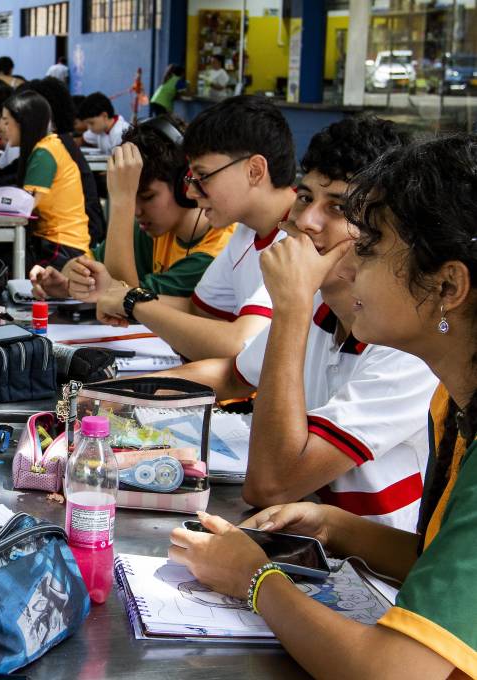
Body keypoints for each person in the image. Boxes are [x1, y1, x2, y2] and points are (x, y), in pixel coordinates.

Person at [169, 134, 477, 679]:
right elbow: (444, 567)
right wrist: (336, 526)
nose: (353, 262)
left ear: (447, 285)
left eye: (372, 246)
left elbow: (393, 673)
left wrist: (256, 579)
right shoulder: (451, 401)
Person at [158, 116, 434, 529]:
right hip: (303, 541)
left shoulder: (406, 349)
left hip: (370, 578)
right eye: (305, 198)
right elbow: (232, 374)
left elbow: (270, 486)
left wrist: (291, 303)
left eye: (338, 208)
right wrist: (109, 400)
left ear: (384, 230)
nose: (306, 221)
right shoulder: (324, 307)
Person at [95, 95, 297, 361]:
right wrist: (125, 298)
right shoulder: (247, 233)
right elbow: (198, 309)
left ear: (255, 171)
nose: (191, 192)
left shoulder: (299, 240)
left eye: (203, 177)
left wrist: (132, 301)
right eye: (191, 178)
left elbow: (239, 344)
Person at [32, 114, 232, 302]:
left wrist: (122, 201)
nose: (136, 211)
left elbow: (123, 300)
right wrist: (69, 283)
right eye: (131, 199)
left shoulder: (213, 256)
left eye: (147, 197)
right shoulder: (154, 228)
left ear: (185, 184)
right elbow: (84, 264)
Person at [0, 90, 92, 269]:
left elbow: (23, 206)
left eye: (6, 121)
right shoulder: (46, 147)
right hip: (53, 244)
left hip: (62, 249)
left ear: (24, 122)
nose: (3, 128)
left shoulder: (44, 153)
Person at [14, 77, 105, 244]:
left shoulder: (50, 149)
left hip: (69, 245)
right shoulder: (59, 143)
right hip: (75, 238)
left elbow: (23, 198)